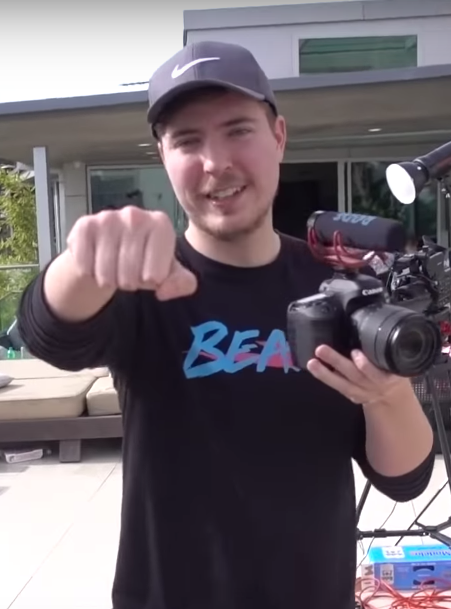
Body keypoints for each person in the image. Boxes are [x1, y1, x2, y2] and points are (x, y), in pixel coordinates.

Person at [17, 41, 434, 609]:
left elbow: (404, 479)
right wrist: (85, 260)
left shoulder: (340, 287)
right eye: (188, 140)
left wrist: (388, 396)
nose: (216, 162)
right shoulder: (143, 281)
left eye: (239, 129)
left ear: (279, 136)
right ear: (162, 155)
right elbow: (50, 333)